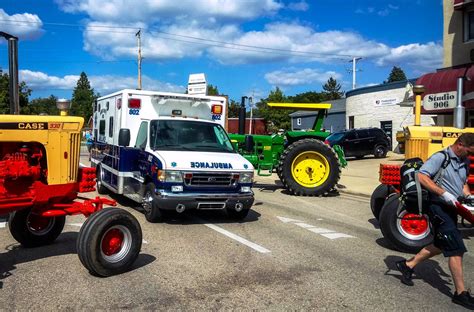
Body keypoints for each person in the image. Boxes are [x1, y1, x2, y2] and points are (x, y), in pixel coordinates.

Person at [396, 133, 474, 309]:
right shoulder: (441, 157)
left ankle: (407, 265)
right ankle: (460, 293)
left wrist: (468, 196)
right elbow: (422, 177)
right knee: (456, 247)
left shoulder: (464, 162)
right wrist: (442, 193)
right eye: (469, 151)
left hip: (453, 207)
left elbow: (463, 183)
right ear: (460, 144)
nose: (469, 156)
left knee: (440, 244)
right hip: (438, 206)